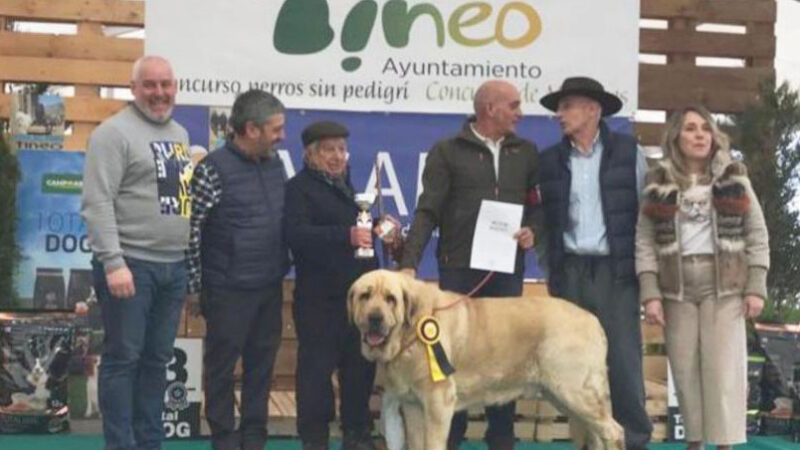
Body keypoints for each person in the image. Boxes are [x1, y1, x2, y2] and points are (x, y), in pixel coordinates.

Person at [399, 80, 540, 450]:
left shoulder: (526, 152)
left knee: (504, 357)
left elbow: (538, 208)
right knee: (448, 360)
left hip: (507, 270)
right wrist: (408, 264)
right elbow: (427, 211)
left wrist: (533, 231)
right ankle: (451, 440)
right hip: (459, 270)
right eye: (513, 105)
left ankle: (502, 440)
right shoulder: (447, 151)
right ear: (490, 108)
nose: (519, 113)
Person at [636, 105, 769, 450]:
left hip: (724, 285)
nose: (699, 135)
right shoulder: (658, 179)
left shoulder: (733, 176)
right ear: (676, 137)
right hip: (676, 289)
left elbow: (757, 232)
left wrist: (756, 286)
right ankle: (694, 443)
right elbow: (645, 240)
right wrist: (651, 293)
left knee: (723, 372)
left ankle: (723, 444)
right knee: (684, 369)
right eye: (691, 129)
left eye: (705, 129)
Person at [81, 55, 192, 450]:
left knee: (157, 360)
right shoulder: (112, 134)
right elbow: (97, 202)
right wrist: (114, 262)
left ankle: (149, 443)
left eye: (166, 84)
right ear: (133, 89)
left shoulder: (179, 133)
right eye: (150, 85)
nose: (159, 93)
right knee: (123, 359)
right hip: (130, 267)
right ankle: (120, 445)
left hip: (172, 267)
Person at [537, 76, 652, 450]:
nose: (559, 114)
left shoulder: (628, 151)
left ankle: (632, 441)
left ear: (593, 110)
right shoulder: (549, 161)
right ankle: (590, 441)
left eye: (568, 106)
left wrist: (646, 274)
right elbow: (542, 221)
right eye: (560, 107)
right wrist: (549, 267)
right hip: (569, 272)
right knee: (573, 363)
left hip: (614, 271)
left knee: (622, 361)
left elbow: (648, 213)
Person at [284, 121, 400, 450]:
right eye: (329, 150)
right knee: (316, 375)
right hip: (320, 301)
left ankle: (357, 435)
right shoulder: (298, 189)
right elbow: (296, 235)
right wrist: (345, 236)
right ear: (311, 154)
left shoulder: (348, 188)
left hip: (359, 302)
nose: (337, 156)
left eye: (341, 149)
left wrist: (381, 228)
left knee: (359, 371)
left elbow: (358, 229)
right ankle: (315, 439)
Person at [186, 89, 290, 450]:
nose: (282, 136)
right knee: (220, 371)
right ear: (251, 129)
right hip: (226, 289)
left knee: (262, 370)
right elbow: (192, 231)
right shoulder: (212, 169)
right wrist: (195, 289)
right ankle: (224, 439)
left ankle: (254, 438)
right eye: (275, 129)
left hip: (268, 286)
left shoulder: (276, 165)